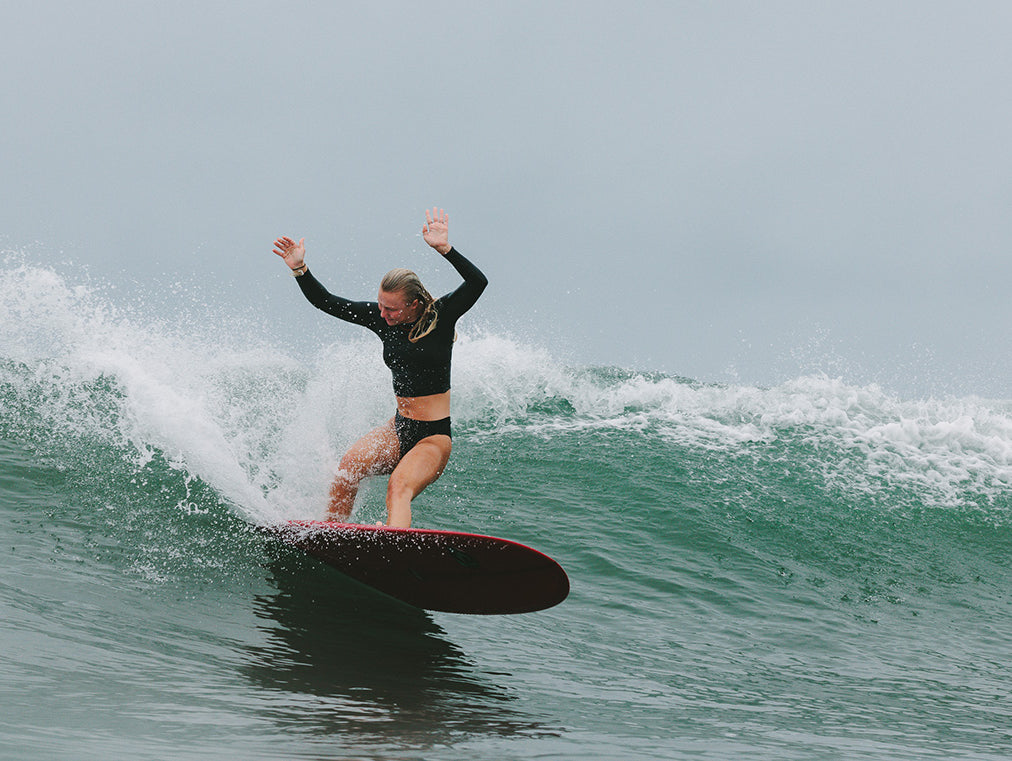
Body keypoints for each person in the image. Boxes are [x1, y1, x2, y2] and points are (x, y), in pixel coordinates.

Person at [272, 208, 487, 528]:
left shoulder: (441, 317)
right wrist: (300, 269)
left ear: (413, 304)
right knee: (349, 467)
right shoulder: (380, 318)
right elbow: (327, 302)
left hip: (433, 438)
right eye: (381, 305)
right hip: (398, 428)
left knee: (397, 488)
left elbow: (477, 282)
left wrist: (445, 249)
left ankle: (397, 551)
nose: (383, 314)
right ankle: (332, 535)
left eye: (392, 309)